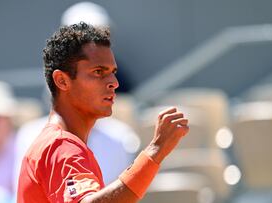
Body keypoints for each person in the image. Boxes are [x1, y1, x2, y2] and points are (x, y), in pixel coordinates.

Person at [17, 22, 189, 203]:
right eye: (98, 71)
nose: (114, 82)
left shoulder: (61, 143)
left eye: (113, 72)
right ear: (62, 80)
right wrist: (155, 151)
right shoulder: (61, 146)